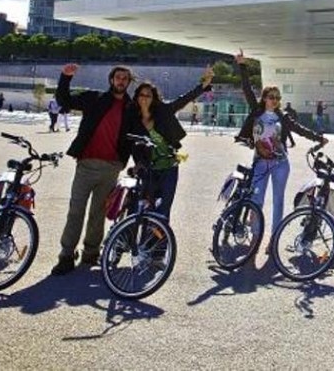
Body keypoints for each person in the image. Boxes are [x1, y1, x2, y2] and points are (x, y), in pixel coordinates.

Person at [51, 63, 138, 275]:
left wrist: (137, 163)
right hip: (86, 165)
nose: (121, 81)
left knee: (98, 213)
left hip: (111, 168)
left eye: (125, 78)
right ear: (111, 79)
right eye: (118, 77)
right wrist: (65, 77)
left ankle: (91, 252)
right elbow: (64, 100)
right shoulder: (94, 98)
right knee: (76, 210)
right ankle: (66, 255)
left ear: (129, 82)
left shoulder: (131, 108)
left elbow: (136, 137)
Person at [236, 50, 327, 239]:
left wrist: (318, 138)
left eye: (278, 98)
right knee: (256, 199)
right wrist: (242, 65)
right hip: (260, 161)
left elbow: (299, 129)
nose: (275, 100)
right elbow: (247, 89)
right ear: (264, 98)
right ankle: (255, 235)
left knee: (278, 201)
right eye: (272, 97)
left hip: (280, 163)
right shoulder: (257, 111)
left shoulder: (283, 116)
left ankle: (274, 238)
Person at [126, 67, 213, 221]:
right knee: (145, 207)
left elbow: (182, 100)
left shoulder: (163, 111)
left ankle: (160, 237)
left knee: (163, 210)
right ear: (137, 97)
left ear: (153, 98)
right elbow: (132, 144)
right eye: (141, 95)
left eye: (148, 95)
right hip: (148, 169)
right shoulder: (133, 118)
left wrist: (203, 85)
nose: (144, 98)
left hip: (168, 167)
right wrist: (137, 164)